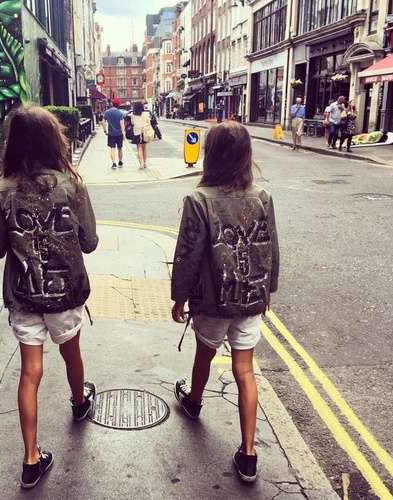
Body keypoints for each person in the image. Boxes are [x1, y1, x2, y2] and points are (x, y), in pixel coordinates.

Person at [0, 105, 99, 489]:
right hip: (64, 293)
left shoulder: (3, 190)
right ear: (54, 141)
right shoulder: (72, 186)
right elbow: (89, 241)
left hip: (24, 295)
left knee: (30, 372)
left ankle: (31, 460)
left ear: (15, 144)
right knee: (71, 352)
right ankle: (79, 403)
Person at [170, 121, 279, 483]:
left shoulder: (199, 200)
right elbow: (271, 247)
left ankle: (194, 401)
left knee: (204, 353)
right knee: (244, 370)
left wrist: (179, 297)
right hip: (250, 298)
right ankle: (248, 455)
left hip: (213, 300)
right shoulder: (262, 197)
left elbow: (187, 255)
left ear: (210, 155)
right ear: (246, 155)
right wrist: (268, 290)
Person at [103, 97, 126, 169]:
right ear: (118, 104)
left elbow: (103, 122)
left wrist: (105, 130)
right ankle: (120, 161)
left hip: (111, 134)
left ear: (112, 104)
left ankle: (114, 164)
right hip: (119, 134)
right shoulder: (120, 113)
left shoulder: (107, 112)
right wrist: (124, 134)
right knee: (120, 148)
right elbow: (122, 124)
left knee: (112, 149)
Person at [130, 100, 151, 169]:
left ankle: (141, 164)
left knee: (139, 149)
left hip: (137, 133)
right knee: (144, 148)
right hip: (144, 133)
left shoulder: (132, 115)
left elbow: (132, 123)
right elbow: (149, 123)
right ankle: (145, 163)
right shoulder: (145, 114)